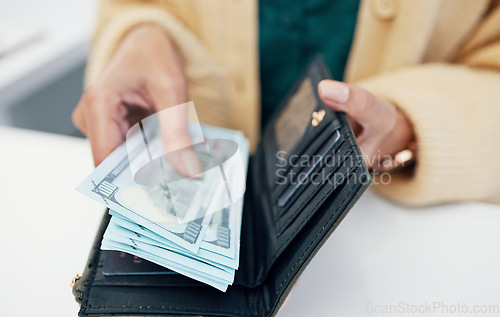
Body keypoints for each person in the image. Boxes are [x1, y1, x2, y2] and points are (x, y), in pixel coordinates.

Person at [73, 0, 500, 206]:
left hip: (399, 226)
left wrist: (413, 128)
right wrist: (140, 33)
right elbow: (131, 6)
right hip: (199, 182)